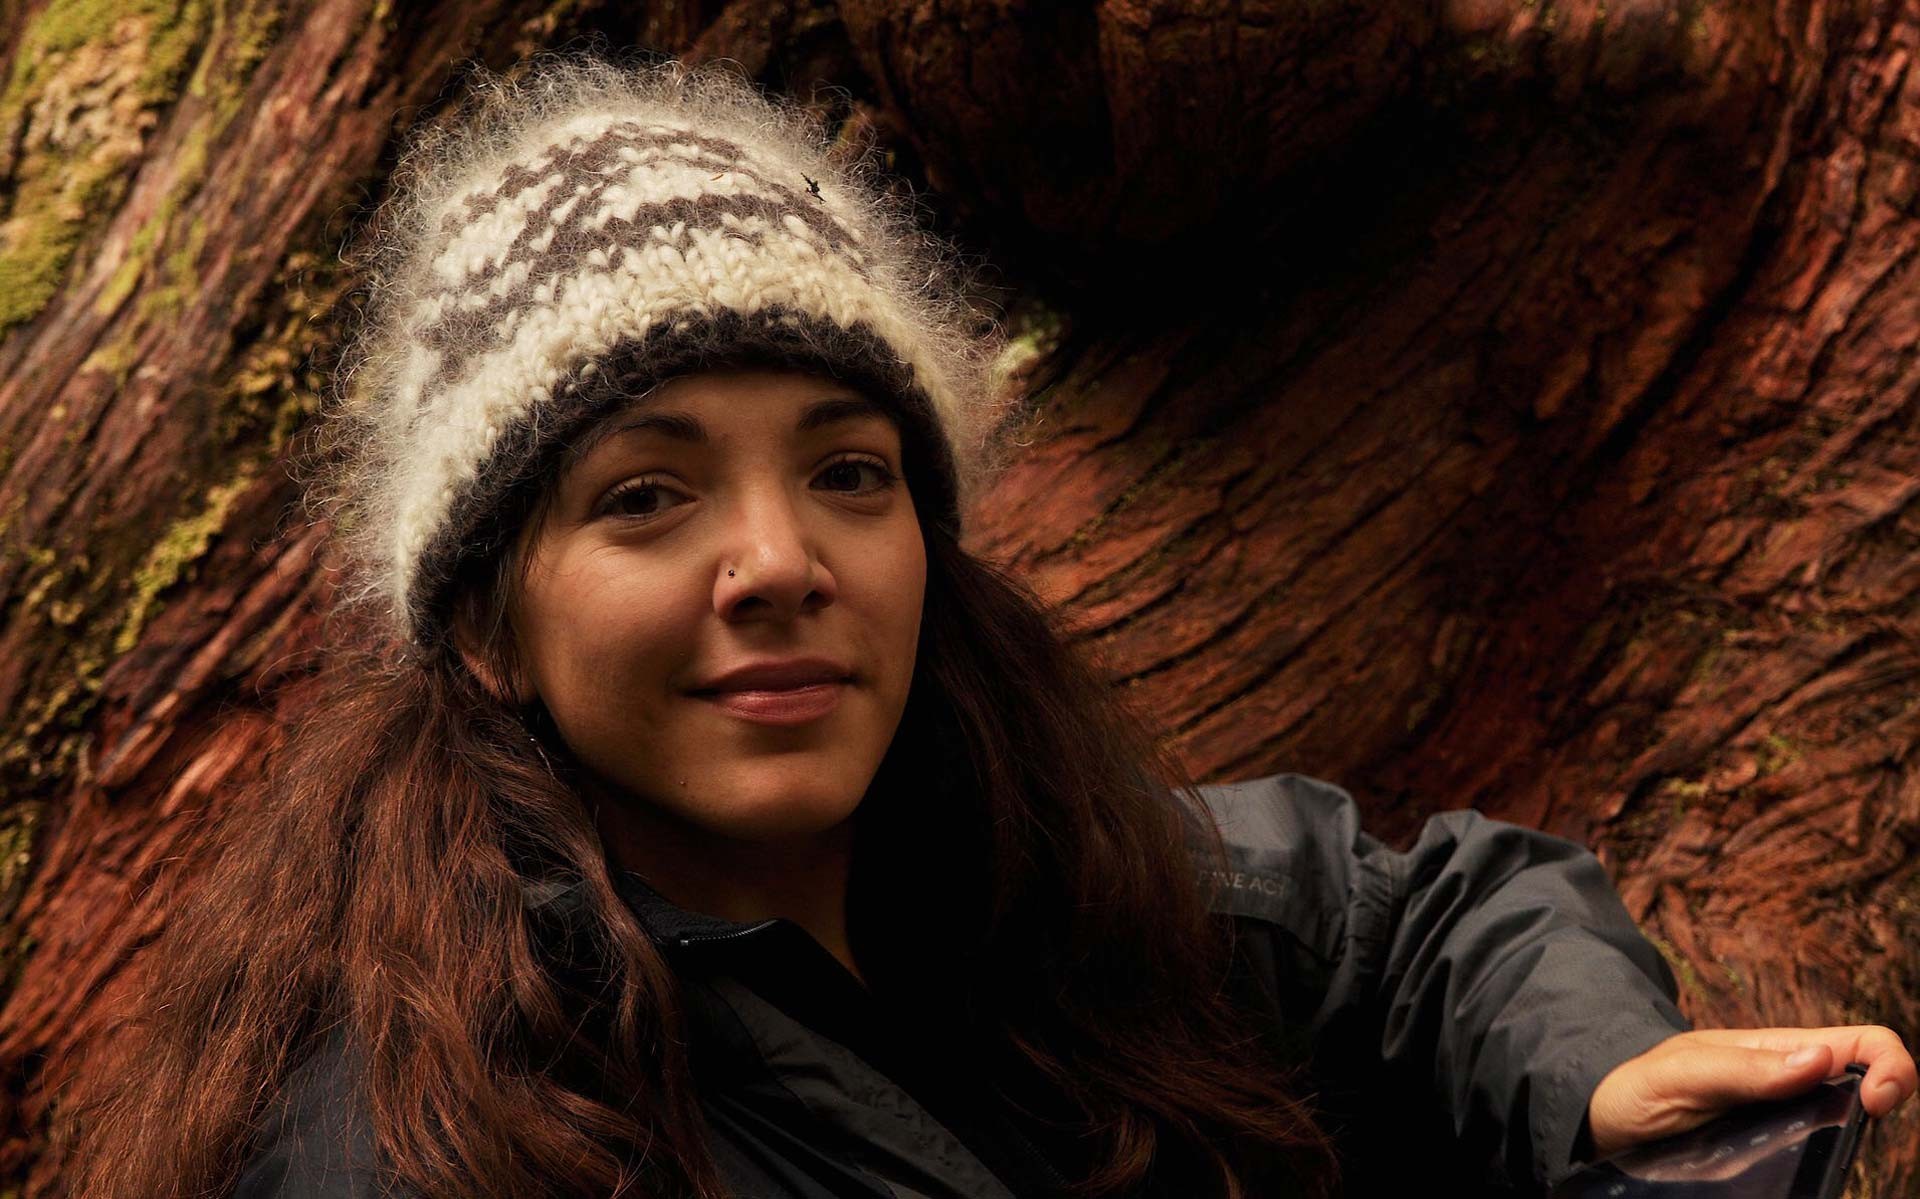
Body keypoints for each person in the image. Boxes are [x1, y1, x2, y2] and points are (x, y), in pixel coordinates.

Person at [60, 52, 1912, 1199]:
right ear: (481, 626)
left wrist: (1597, 1071)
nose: (779, 560)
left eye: (851, 472)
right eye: (647, 494)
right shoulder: (426, 1146)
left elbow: (1410, 914)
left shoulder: (1023, 881)